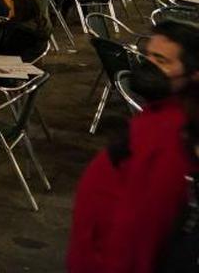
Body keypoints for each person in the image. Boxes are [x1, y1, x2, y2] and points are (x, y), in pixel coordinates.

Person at [69, 22, 199, 272]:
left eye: (161, 60)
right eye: (147, 55)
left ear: (193, 73)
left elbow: (142, 226)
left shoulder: (172, 136)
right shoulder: (159, 113)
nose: (148, 65)